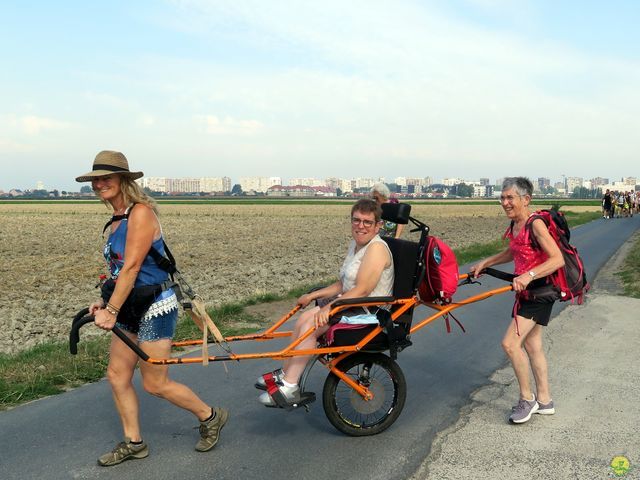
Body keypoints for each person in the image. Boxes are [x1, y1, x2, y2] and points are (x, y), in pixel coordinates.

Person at [76, 151, 228, 466]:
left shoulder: (140, 213)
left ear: (123, 180)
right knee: (118, 375)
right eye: (96, 179)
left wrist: (112, 311)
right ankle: (134, 442)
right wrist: (105, 303)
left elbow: (132, 268)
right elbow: (120, 272)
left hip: (156, 306)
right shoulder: (116, 220)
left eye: (106, 177)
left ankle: (210, 416)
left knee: (154, 383)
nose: (100, 184)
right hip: (129, 304)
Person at [256, 198, 394, 405]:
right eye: (356, 220)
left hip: (369, 311)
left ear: (378, 226)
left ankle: (290, 386)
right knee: (305, 318)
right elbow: (343, 284)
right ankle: (285, 373)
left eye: (367, 222)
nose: (360, 226)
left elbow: (363, 289)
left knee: (314, 324)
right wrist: (314, 296)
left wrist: (329, 307)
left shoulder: (376, 249)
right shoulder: (356, 245)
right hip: (352, 304)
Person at [470, 177, 564, 424]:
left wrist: (528, 275)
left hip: (540, 292)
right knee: (533, 346)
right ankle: (545, 401)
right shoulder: (516, 225)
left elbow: (557, 259)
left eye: (510, 197)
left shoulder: (536, 225)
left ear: (526, 199)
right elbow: (516, 251)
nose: (505, 202)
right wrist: (487, 263)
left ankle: (527, 398)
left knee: (510, 344)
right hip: (528, 293)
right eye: (502, 197)